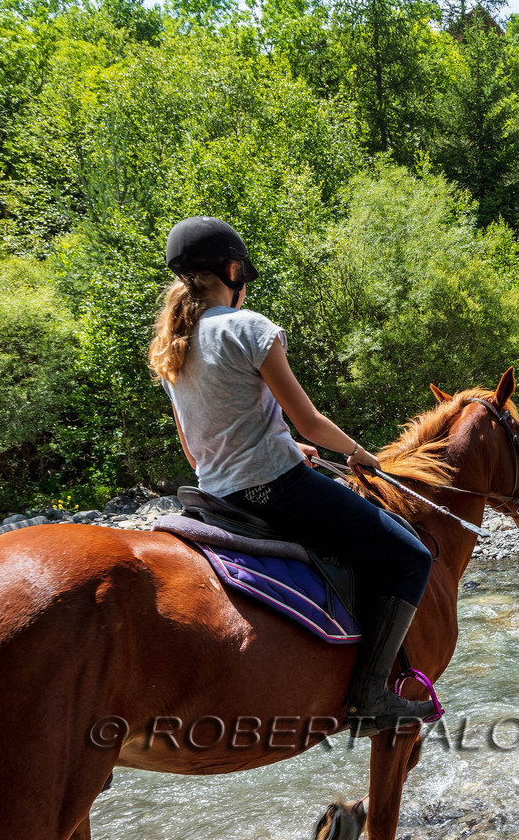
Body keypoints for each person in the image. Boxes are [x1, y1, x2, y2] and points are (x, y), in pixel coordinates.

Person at [151, 216, 436, 731]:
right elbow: (307, 418)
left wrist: (287, 445)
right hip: (276, 489)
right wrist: (358, 453)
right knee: (410, 556)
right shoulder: (250, 328)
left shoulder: (174, 347)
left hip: (216, 495)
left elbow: (195, 449)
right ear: (234, 271)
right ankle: (370, 695)